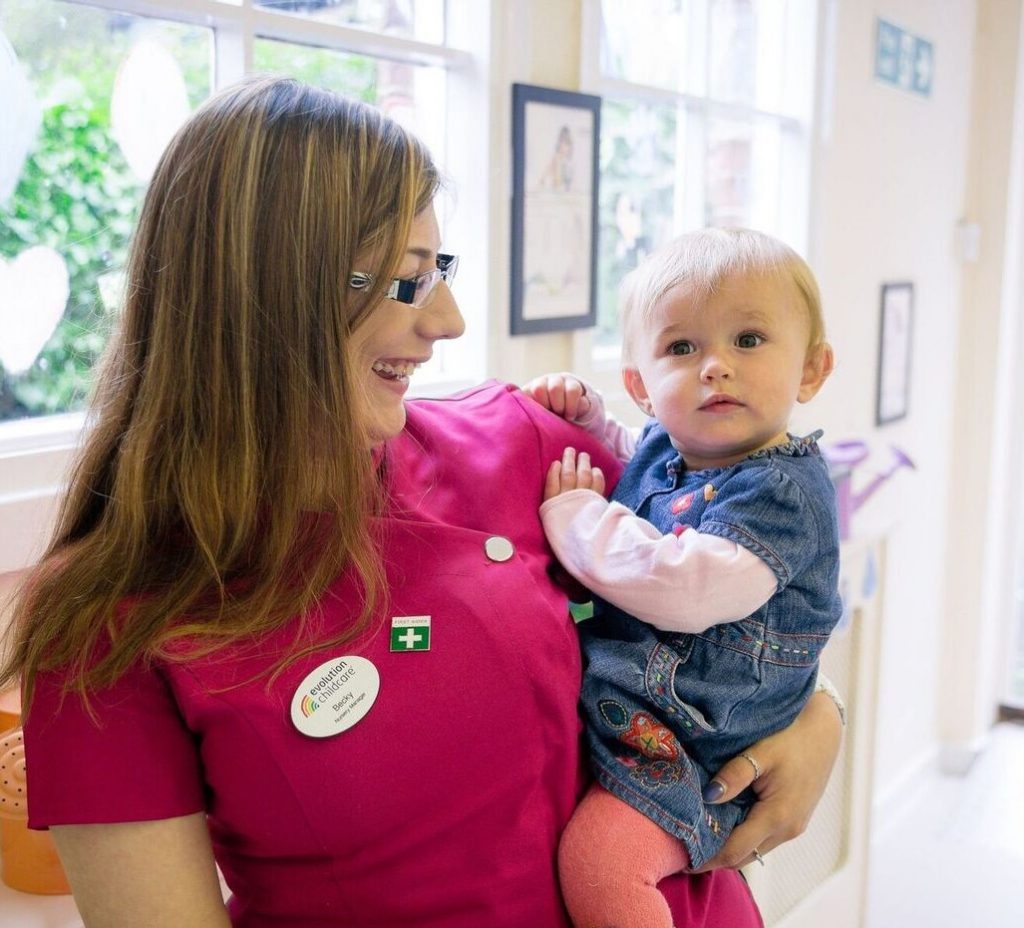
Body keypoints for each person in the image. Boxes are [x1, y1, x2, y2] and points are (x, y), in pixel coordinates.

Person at [0, 79, 843, 927]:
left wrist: (819, 714)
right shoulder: (104, 626)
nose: (449, 319)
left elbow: (751, 567)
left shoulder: (525, 445)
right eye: (408, 280)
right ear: (269, 295)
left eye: (439, 270)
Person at [525, 227, 841, 928]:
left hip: (701, 755)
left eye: (749, 340)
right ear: (640, 385)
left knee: (602, 865)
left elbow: (681, 586)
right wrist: (588, 426)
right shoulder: (677, 448)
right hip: (647, 723)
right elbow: (647, 480)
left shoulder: (781, 495)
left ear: (812, 371)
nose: (714, 368)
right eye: (681, 348)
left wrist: (576, 515)